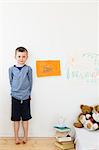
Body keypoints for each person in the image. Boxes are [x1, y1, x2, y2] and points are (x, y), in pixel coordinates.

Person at [9, 47, 32, 144]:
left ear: (26, 57)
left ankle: (25, 137)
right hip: (15, 97)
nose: (21, 58)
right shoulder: (11, 69)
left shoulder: (28, 69)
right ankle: (16, 138)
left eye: (23, 56)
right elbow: (11, 81)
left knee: (25, 119)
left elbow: (31, 82)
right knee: (16, 119)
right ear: (15, 56)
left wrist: (28, 94)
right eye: (19, 56)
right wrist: (15, 92)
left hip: (26, 97)